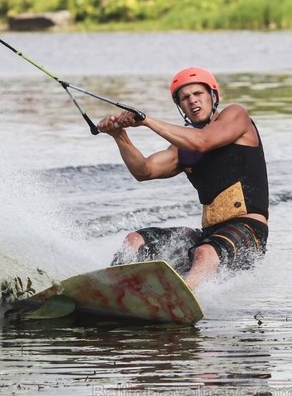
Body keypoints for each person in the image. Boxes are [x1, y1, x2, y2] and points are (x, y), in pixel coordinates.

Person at [97, 66, 269, 289]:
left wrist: (147, 121)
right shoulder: (182, 149)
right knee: (135, 240)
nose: (193, 101)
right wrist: (119, 136)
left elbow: (203, 141)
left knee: (205, 253)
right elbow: (144, 171)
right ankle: (111, 289)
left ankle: (183, 298)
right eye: (185, 98)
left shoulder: (236, 116)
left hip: (250, 232)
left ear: (213, 96)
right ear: (180, 107)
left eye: (198, 94)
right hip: (208, 235)